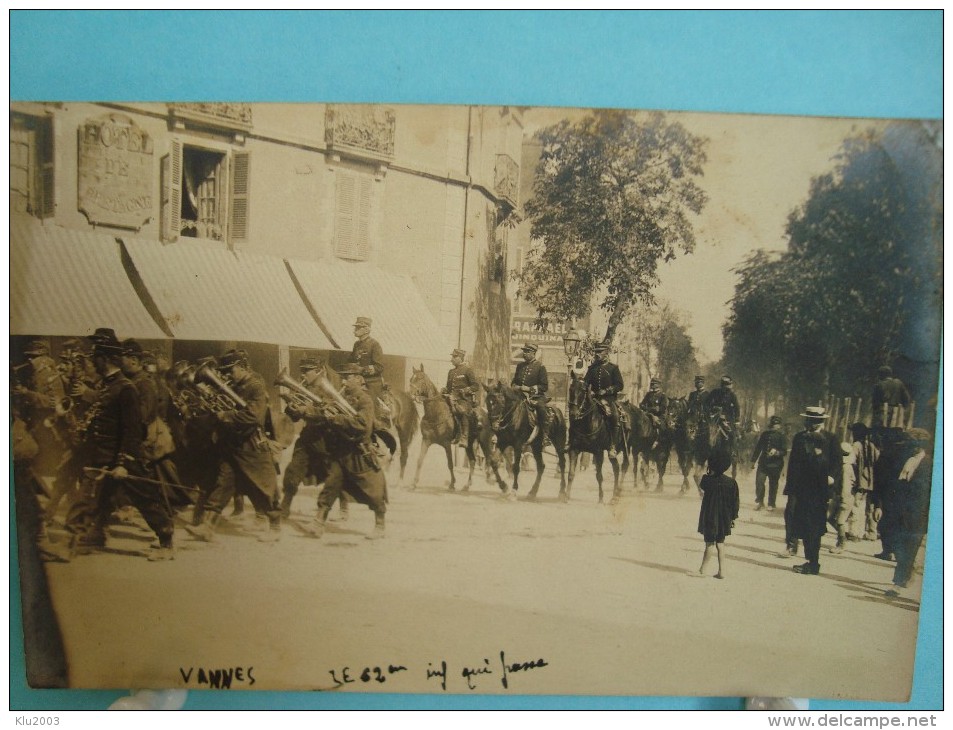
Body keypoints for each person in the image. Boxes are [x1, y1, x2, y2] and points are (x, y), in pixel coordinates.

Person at [64, 329, 175, 561]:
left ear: (105, 358)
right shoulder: (107, 385)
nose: (92, 360)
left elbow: (132, 430)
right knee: (93, 496)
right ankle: (84, 537)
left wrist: (124, 463)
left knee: (145, 498)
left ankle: (166, 541)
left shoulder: (126, 389)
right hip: (103, 453)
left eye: (95, 355)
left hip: (124, 456)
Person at [187, 349, 282, 543]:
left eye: (231, 371)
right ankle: (208, 526)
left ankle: (275, 527)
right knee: (223, 483)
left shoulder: (255, 386)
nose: (227, 375)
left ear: (242, 368)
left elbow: (252, 417)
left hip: (253, 446)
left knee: (264, 486)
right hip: (232, 445)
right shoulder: (235, 385)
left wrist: (225, 415)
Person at [305, 363, 388, 540]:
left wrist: (336, 418)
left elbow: (363, 425)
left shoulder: (365, 399)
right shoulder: (342, 396)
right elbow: (324, 411)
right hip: (340, 451)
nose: (343, 380)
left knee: (374, 490)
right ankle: (318, 523)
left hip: (359, 452)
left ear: (359, 379)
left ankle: (380, 525)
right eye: (343, 376)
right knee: (331, 484)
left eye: (348, 377)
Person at [279, 355, 343, 518]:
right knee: (294, 468)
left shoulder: (328, 388)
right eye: (302, 371)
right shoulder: (302, 387)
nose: (302, 375)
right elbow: (293, 418)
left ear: (319, 371)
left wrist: (307, 410)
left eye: (307, 371)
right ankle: (285, 504)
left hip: (327, 437)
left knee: (336, 474)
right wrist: (291, 406)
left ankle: (343, 506)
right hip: (309, 435)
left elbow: (327, 412)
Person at [782, 406, 843, 574]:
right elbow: (793, 464)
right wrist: (791, 488)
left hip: (819, 490)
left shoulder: (831, 439)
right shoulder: (799, 438)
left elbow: (837, 463)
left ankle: (813, 562)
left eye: (816, 421)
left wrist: (831, 478)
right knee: (793, 516)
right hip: (800, 488)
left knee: (814, 525)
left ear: (822, 421)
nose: (812, 423)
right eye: (810, 420)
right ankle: (793, 547)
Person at [885, 428, 933, 598]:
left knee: (908, 549)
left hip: (917, 516)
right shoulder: (907, 460)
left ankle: (897, 584)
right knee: (898, 546)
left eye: (913, 444)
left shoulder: (930, 465)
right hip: (901, 512)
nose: (910, 447)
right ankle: (907, 570)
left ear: (920, 445)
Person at [694, 450, 740, 579]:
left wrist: (709, 472)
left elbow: (701, 484)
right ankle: (722, 571)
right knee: (720, 544)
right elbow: (735, 502)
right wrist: (733, 518)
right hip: (724, 519)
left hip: (710, 517)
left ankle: (702, 570)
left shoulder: (706, 480)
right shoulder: (732, 482)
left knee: (709, 544)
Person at [583, 341, 625, 459]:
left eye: (599, 352)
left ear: (606, 354)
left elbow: (619, 385)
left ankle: (612, 445)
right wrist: (586, 388)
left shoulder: (613, 368)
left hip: (609, 399)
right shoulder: (592, 368)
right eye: (596, 352)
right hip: (594, 399)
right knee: (579, 413)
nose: (597, 355)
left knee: (614, 417)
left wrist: (607, 391)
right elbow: (586, 382)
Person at [848, 422, 880, 541]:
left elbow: (852, 461)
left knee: (856, 506)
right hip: (871, 482)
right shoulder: (872, 446)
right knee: (868, 508)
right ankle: (869, 532)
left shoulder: (856, 445)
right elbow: (878, 462)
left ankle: (854, 533)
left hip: (860, 481)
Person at [511, 342, 549, 442]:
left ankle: (545, 436)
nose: (524, 354)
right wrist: (515, 387)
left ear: (533, 353)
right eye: (524, 351)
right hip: (519, 396)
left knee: (541, 408)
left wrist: (528, 389)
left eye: (527, 352)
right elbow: (514, 382)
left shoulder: (540, 367)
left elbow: (544, 386)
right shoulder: (519, 366)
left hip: (535, 397)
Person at [349, 316, 386, 415]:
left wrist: (361, 370)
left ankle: (376, 423)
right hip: (357, 380)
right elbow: (351, 361)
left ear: (366, 330)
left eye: (358, 328)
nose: (355, 330)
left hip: (371, 382)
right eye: (356, 327)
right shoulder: (356, 344)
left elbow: (379, 367)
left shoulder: (375, 345)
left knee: (372, 405)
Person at [750, 415, 788, 511]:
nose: (775, 426)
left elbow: (784, 451)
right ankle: (760, 501)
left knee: (773, 484)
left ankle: (771, 503)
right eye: (773, 424)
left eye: (777, 424)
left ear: (779, 426)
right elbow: (758, 448)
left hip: (776, 464)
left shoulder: (782, 436)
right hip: (763, 463)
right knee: (759, 482)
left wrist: (776, 452)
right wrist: (753, 461)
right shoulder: (764, 434)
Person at [443, 348, 479, 444]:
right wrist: (444, 390)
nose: (452, 359)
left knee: (462, 411)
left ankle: (464, 437)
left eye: (455, 357)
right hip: (451, 397)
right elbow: (448, 387)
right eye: (452, 357)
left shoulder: (468, 370)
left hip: (464, 399)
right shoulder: (450, 372)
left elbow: (475, 386)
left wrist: (465, 390)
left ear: (460, 358)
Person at [871, 365, 912, 429]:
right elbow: (907, 398)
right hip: (896, 414)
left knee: (880, 433)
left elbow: (875, 402)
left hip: (882, 414)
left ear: (882, 375)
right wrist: (903, 408)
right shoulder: (899, 383)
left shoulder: (879, 385)